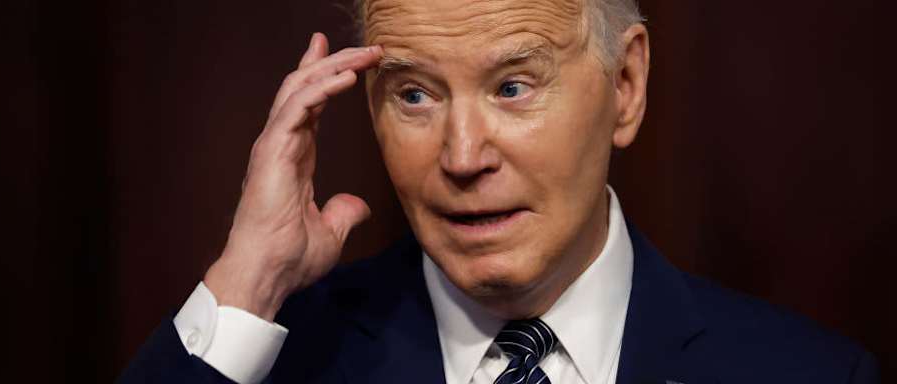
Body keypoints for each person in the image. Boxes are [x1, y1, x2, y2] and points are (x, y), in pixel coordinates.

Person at [119, 0, 880, 383]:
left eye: (513, 86)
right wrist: (249, 280)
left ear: (626, 85)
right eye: (414, 94)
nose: (461, 155)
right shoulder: (276, 365)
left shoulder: (806, 374)